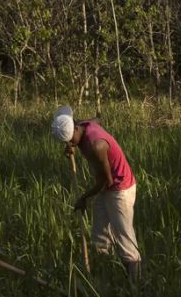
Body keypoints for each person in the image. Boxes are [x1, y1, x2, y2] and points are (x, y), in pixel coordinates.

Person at [51, 106, 143, 280]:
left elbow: (106, 181)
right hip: (107, 188)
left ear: (74, 129)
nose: (68, 144)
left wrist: (83, 198)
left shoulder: (96, 146)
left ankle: (136, 286)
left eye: (69, 140)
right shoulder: (84, 125)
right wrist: (72, 145)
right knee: (100, 239)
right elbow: (97, 120)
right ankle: (106, 278)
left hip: (119, 189)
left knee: (125, 241)